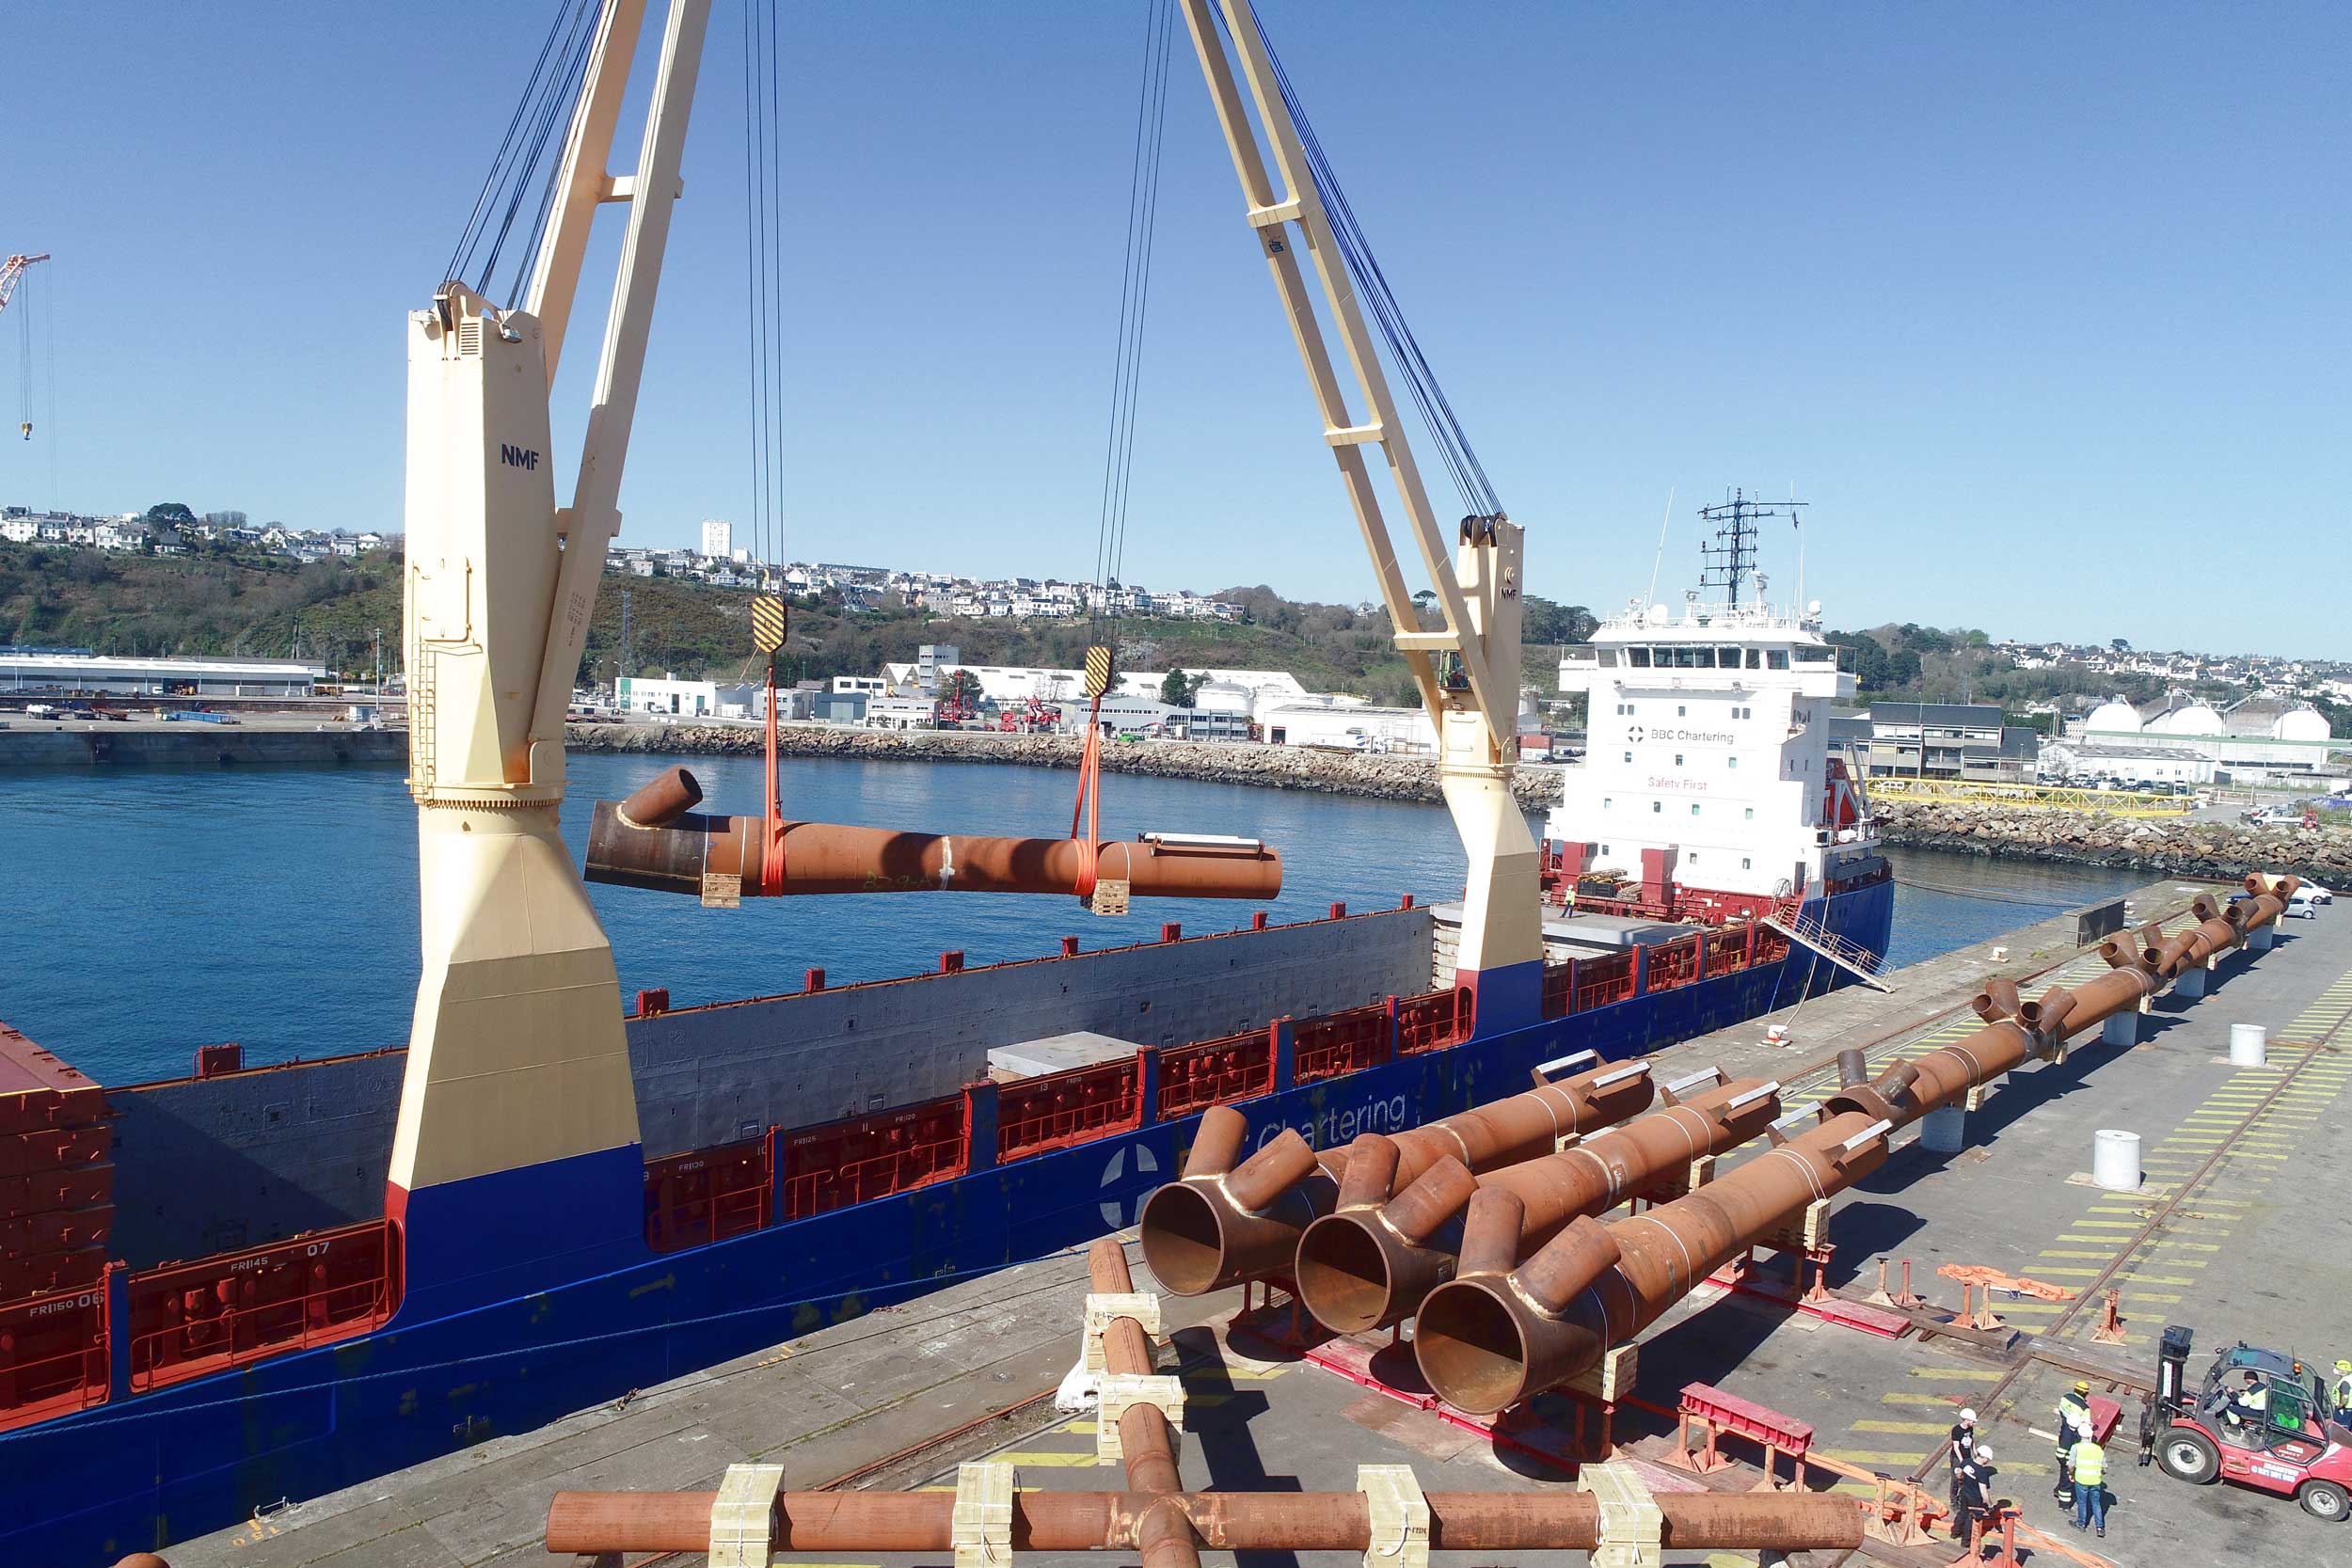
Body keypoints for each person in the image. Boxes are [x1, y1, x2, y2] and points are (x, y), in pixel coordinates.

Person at [2055, 1380, 2091, 1498]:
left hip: (2064, 1431)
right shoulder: (2085, 1408)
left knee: (2063, 1471)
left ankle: (2059, 1488)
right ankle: (2064, 1500)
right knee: (2067, 1473)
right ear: (2085, 1394)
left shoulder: (2065, 1398)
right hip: (2070, 1444)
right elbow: (2086, 1424)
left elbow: (2061, 1410)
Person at [2070, 1434, 2107, 1537]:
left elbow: (2071, 1465)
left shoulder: (2076, 1447)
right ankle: (2100, 1527)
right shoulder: (2098, 1449)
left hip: (2081, 1479)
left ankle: (2081, 1524)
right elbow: (2104, 1468)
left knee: (2082, 1502)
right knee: (2096, 1503)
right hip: (2095, 1480)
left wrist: (2071, 1474)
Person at [1947, 1408, 1979, 1527]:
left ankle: (1962, 1499)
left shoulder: (1970, 1429)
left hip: (1967, 1457)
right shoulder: (1957, 1430)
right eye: (1972, 1421)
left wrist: (1974, 1451)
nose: (1973, 1423)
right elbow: (1956, 1447)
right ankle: (1954, 1501)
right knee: (1956, 1480)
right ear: (1966, 1420)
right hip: (1958, 1458)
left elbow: (1972, 1440)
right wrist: (1961, 1461)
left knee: (1965, 1480)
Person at [2331, 1360, 2352, 1426]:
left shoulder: (2345, 1382)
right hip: (2349, 1411)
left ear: (2344, 1372)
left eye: (2338, 1369)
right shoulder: (2350, 1378)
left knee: (2341, 1428)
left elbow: (2345, 1396)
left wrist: (2340, 1405)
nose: (2335, 1370)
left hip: (2344, 1410)